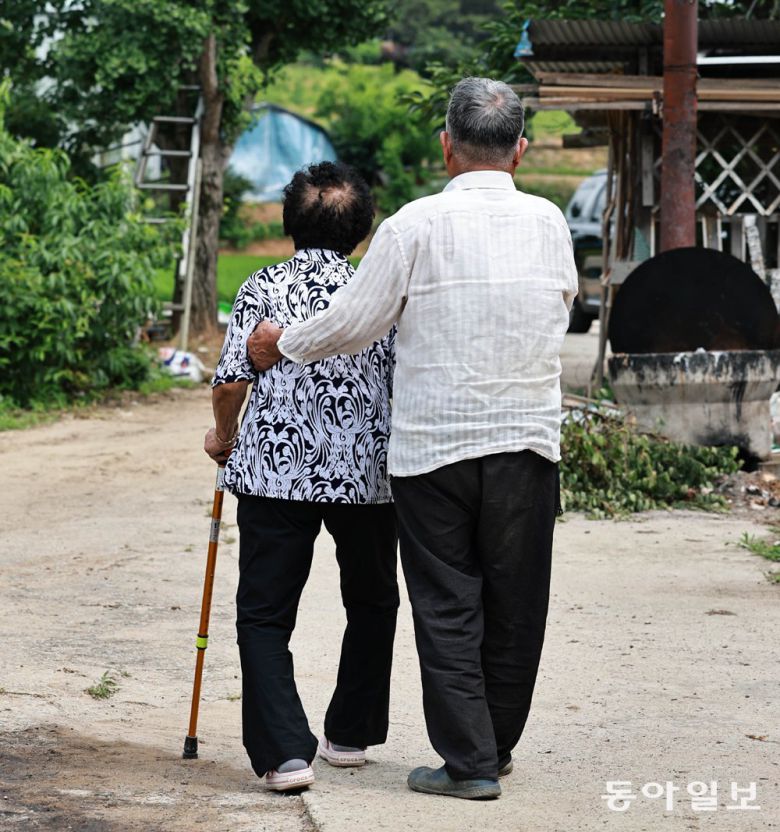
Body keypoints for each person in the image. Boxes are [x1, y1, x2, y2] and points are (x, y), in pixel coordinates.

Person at [246, 78, 578, 800]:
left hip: (434, 449)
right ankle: (493, 745)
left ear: (447, 145)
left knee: (449, 603)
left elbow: (354, 322)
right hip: (525, 439)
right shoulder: (551, 221)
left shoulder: (413, 225)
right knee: (517, 600)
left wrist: (282, 343)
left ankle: (471, 761)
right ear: (520, 149)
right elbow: (560, 307)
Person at [204, 161, 399, 792]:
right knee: (371, 600)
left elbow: (233, 378)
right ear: (362, 227)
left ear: (290, 222)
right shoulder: (377, 288)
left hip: (272, 473)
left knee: (264, 612)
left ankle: (285, 754)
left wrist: (224, 437)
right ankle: (350, 733)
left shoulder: (263, 285)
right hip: (366, 471)